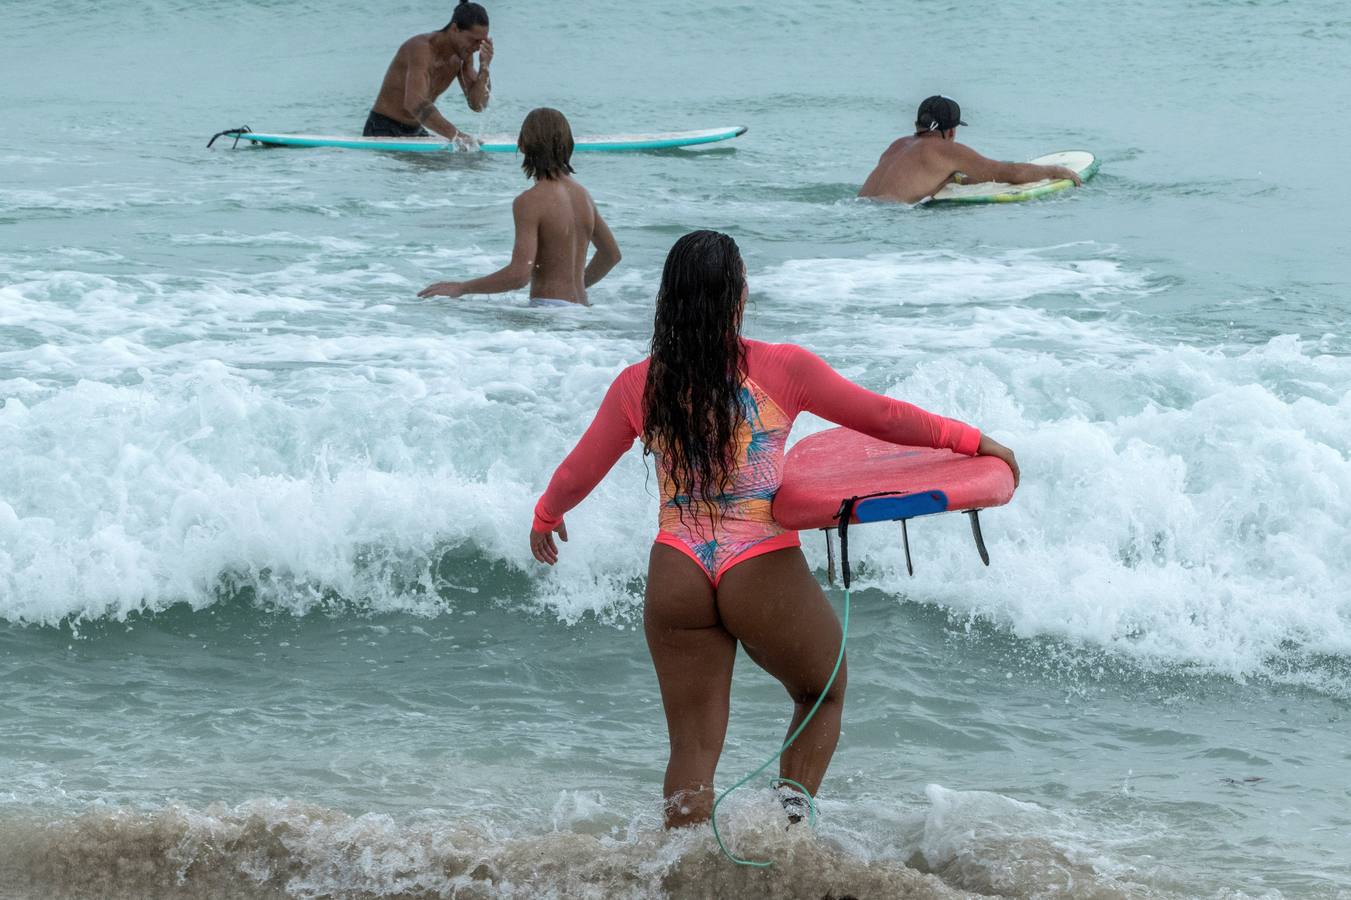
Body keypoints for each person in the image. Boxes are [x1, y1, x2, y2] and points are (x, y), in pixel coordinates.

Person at [527, 231, 1020, 827]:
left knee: (692, 747)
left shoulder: (641, 384)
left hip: (677, 563)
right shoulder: (783, 368)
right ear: (738, 295)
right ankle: (788, 828)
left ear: (670, 300)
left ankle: (682, 873)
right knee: (824, 691)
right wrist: (974, 441)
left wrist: (546, 516)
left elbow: (580, 470)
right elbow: (884, 417)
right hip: (756, 558)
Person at [418, 108, 622, 307]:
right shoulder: (582, 195)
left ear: (523, 145)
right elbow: (611, 255)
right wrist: (575, 285)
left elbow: (519, 275)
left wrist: (462, 288)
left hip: (549, 310)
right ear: (569, 145)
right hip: (581, 308)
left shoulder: (530, 201)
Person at [859, 95, 1083, 204]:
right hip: (890, 215)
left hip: (859, 206)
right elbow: (1009, 173)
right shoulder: (946, 150)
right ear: (951, 132)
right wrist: (1055, 171)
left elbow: (925, 181)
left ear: (918, 125)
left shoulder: (897, 145)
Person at [365, 1, 493, 146]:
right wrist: (456, 135)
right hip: (383, 129)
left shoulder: (463, 56)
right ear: (455, 28)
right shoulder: (422, 49)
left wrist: (485, 67)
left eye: (481, 42)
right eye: (473, 41)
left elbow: (477, 104)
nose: (477, 47)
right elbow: (414, 103)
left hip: (416, 129)